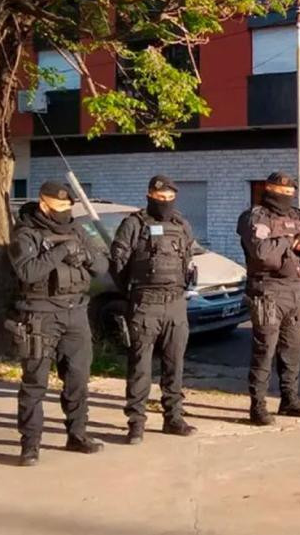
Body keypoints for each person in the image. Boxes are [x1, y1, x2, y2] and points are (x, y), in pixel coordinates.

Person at [8, 181, 109, 466]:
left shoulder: (77, 229)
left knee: (78, 379)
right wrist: (61, 252)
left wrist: (84, 254)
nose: (65, 212)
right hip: (39, 314)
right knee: (35, 382)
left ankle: (77, 435)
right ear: (44, 205)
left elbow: (101, 266)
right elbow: (28, 272)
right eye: (59, 207)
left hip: (75, 312)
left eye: (68, 207)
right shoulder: (26, 233)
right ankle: (30, 446)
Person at [110, 175, 198, 444]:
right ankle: (136, 423)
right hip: (145, 303)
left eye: (170, 199)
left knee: (175, 365)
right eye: (160, 199)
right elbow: (118, 263)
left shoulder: (181, 224)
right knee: (140, 366)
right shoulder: (133, 224)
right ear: (149, 196)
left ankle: (173, 418)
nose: (165, 203)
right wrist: (134, 292)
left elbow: (187, 258)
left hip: (175, 304)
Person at [237, 172, 300, 425]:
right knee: (264, 350)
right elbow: (263, 254)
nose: (285, 197)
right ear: (268, 190)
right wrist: (291, 241)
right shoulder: (254, 217)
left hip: (296, 290)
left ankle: (289, 400)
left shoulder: (298, 215)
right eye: (280, 192)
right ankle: (258, 406)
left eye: (289, 193)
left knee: (294, 349)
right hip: (268, 291)